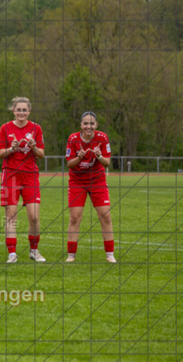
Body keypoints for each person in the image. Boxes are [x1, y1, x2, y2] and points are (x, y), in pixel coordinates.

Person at [0, 96, 46, 263]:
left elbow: (41, 154)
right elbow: (0, 153)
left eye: (24, 110)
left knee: (34, 216)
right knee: (11, 214)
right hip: (11, 174)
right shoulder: (5, 128)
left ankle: (34, 250)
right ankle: (12, 253)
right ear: (13, 111)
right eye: (18, 109)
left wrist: (33, 147)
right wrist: (11, 148)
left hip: (30, 175)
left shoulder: (36, 128)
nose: (21, 112)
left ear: (29, 111)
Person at [65, 112, 116, 263]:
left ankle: (110, 254)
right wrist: (79, 157)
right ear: (81, 125)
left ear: (96, 125)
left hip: (97, 181)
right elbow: (69, 164)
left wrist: (99, 156)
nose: (89, 126)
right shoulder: (73, 139)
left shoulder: (102, 138)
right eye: (86, 123)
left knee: (105, 216)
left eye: (92, 123)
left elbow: (107, 163)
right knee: (75, 217)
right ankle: (71, 255)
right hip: (77, 182)